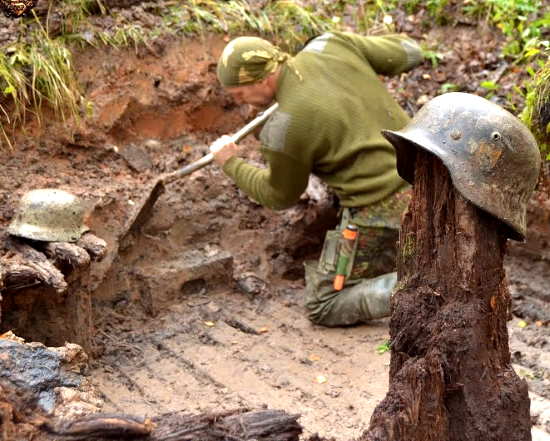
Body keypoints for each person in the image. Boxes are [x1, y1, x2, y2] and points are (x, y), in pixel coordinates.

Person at [210, 31, 423, 327]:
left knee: (323, 304)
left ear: (263, 80)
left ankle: (426, 286)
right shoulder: (332, 44)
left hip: (381, 205)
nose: (242, 103)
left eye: (239, 94)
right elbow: (410, 53)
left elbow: (278, 195)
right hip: (428, 174)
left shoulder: (284, 127)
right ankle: (413, 261)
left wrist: (230, 163)